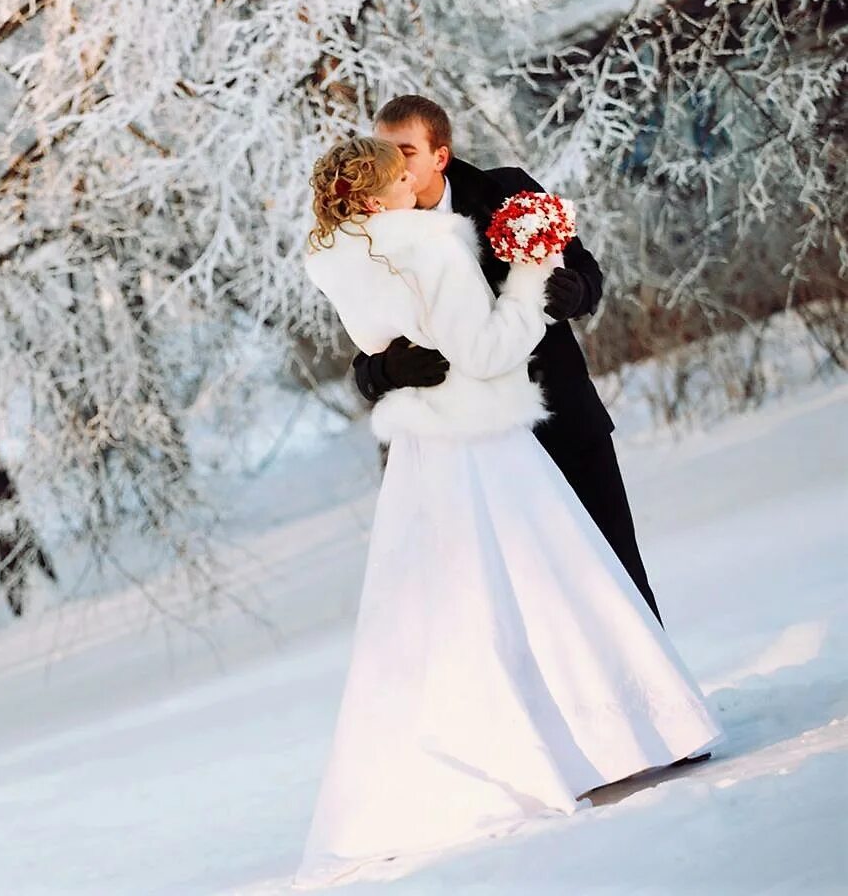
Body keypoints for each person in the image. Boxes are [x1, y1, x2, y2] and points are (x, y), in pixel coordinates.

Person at [293, 135, 721, 887]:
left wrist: (395, 362)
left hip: (426, 454)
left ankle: (496, 750)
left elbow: (387, 342)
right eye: (396, 174)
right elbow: (487, 351)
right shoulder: (428, 243)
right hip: (485, 438)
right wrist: (528, 276)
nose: (412, 182)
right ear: (373, 194)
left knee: (446, 610)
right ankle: (616, 737)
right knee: (557, 586)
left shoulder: (337, 257)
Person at [354, 95, 661, 622]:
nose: (390, 165)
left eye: (404, 150)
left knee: (616, 570)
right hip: (479, 451)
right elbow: (365, 358)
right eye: (382, 152)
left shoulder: (506, 191)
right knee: (524, 603)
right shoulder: (372, 237)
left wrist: (574, 292)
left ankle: (661, 701)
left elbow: (586, 272)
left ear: (440, 156)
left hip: (561, 417)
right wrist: (388, 370)